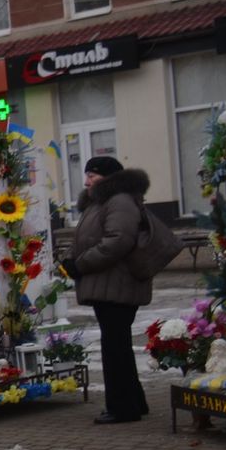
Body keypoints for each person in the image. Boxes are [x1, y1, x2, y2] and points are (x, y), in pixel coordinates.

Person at [66, 156, 153, 424]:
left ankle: (122, 409)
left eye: (92, 175)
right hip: (109, 285)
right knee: (118, 346)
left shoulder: (120, 201)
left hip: (118, 285)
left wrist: (80, 264)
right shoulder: (101, 202)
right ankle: (133, 402)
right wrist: (70, 259)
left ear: (108, 177)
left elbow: (118, 241)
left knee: (115, 348)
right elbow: (88, 237)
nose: (86, 181)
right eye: (87, 175)